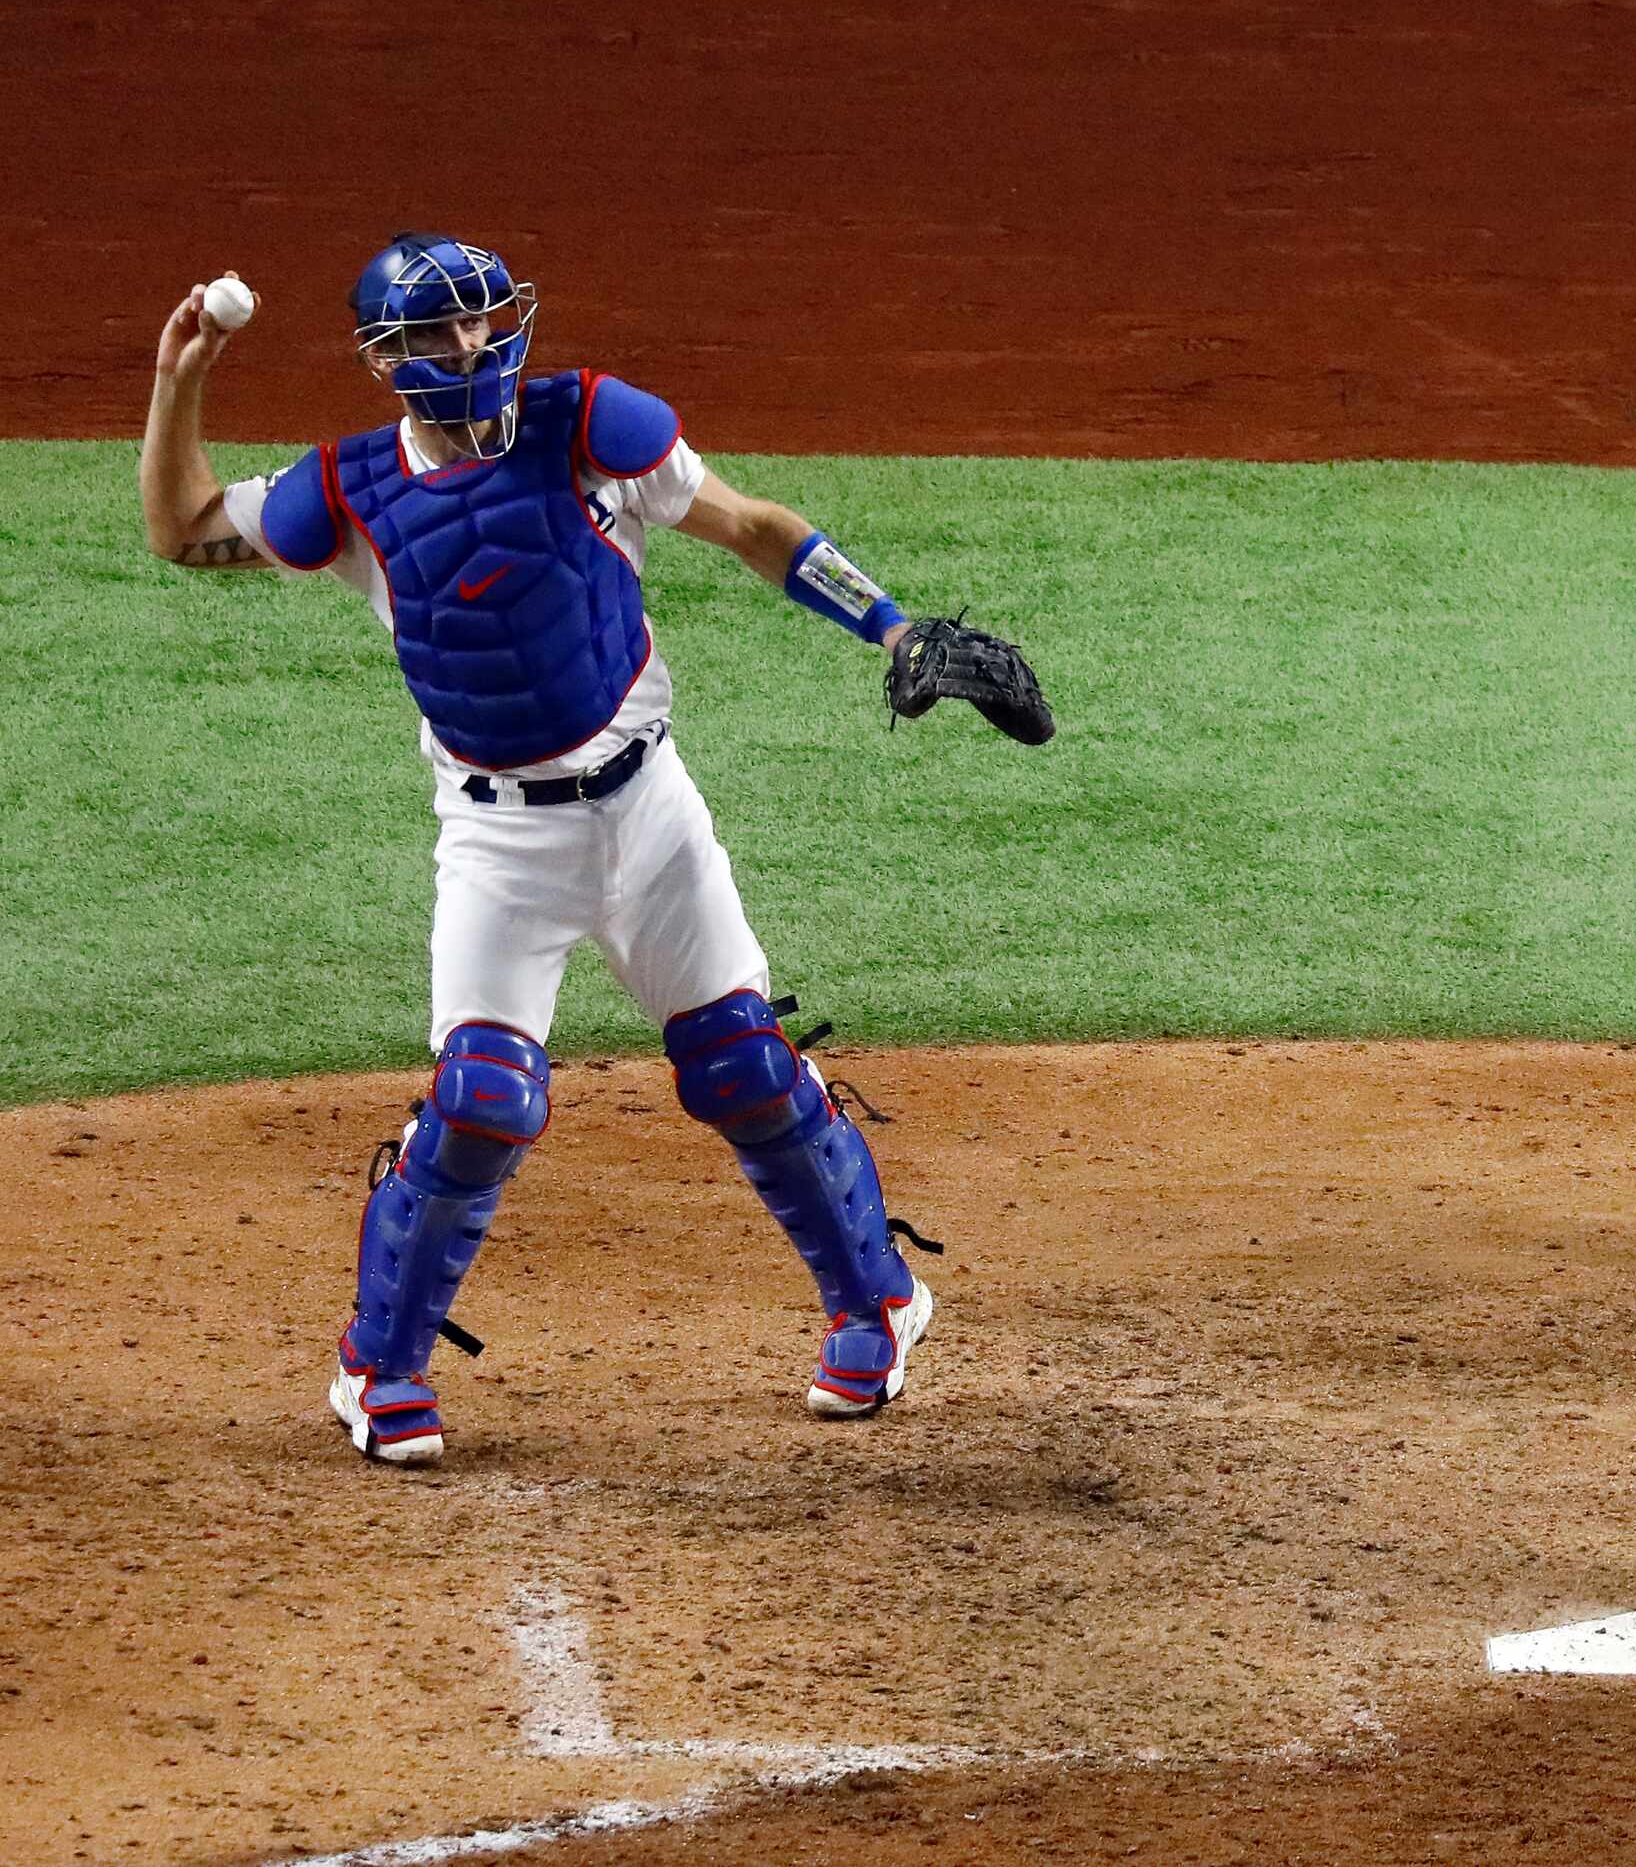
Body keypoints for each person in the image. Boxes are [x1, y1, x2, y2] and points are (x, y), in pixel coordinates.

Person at [136, 235, 1052, 1465]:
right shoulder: (350, 493)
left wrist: (888, 626)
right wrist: (179, 376)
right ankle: (380, 1365)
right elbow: (184, 525)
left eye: (483, 322)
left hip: (645, 810)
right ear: (390, 361)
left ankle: (877, 1299)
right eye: (438, 336)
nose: (471, 349)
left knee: (741, 1067)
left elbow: (752, 528)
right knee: (480, 1106)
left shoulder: (588, 428)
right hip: (498, 841)